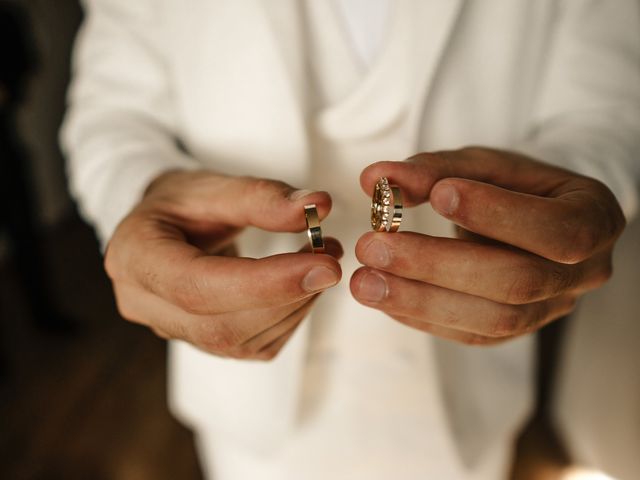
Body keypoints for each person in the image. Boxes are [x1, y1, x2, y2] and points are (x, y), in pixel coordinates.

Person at [61, 1, 640, 479]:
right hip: (250, 417)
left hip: (467, 406)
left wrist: (576, 196)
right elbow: (112, 113)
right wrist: (141, 195)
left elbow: (610, 110)